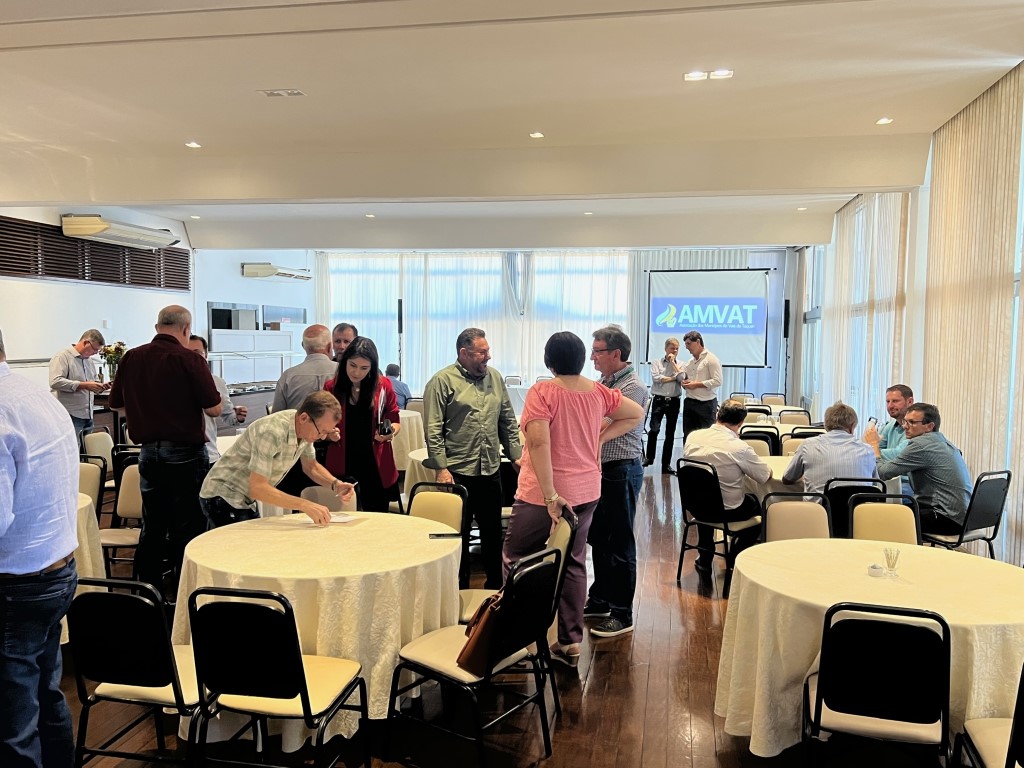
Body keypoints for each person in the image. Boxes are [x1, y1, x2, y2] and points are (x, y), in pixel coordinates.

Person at [502, 332, 642, 664]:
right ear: (581, 359)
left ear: (549, 361)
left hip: (543, 494)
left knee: (516, 557)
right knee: (574, 561)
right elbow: (635, 413)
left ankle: (512, 636)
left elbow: (539, 444)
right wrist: (600, 438)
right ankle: (570, 641)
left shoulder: (543, 392)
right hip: (586, 490)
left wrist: (551, 495)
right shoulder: (598, 391)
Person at [1, 329, 80, 768]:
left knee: (12, 718)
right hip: (56, 568)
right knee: (46, 693)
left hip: (17, 582)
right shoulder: (33, 395)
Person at [107, 305, 222, 594]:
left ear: (157, 326)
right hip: (186, 453)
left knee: (153, 525)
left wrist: (146, 410)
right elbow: (214, 408)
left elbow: (116, 405)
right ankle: (185, 592)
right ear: (186, 329)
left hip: (147, 453)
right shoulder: (190, 359)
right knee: (188, 525)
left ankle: (147, 592)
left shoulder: (131, 357)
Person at [423, 327, 521, 589]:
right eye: (482, 352)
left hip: (490, 470)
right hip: (457, 473)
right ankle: (458, 590)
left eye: (488, 351)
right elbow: (432, 429)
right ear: (464, 353)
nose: (488, 356)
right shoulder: (442, 381)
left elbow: (507, 420)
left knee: (493, 535)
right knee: (459, 536)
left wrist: (516, 456)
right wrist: (441, 468)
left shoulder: (495, 378)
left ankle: (495, 591)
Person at [200, 392, 355, 526]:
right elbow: (258, 488)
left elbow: (311, 466)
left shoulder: (305, 430)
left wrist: (336, 484)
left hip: (244, 498)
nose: (321, 436)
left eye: (326, 432)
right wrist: (304, 505)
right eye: (321, 431)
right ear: (304, 418)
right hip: (222, 495)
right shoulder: (272, 432)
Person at [585, 325, 649, 640]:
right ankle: (600, 599)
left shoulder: (632, 387)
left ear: (616, 354)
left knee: (620, 542)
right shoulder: (604, 383)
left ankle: (622, 613)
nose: (592, 357)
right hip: (603, 470)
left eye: (597, 351)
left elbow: (598, 425)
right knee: (600, 537)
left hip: (621, 470)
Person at [682, 399, 770, 572]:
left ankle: (705, 556)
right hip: (727, 511)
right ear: (741, 423)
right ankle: (734, 557)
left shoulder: (693, 437)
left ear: (717, 415)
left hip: (695, 506)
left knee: (706, 494)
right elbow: (764, 475)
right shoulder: (738, 447)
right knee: (761, 507)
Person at [865, 402, 972, 535]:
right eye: (905, 421)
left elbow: (882, 473)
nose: (905, 426)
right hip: (963, 517)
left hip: (946, 518)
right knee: (894, 510)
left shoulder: (921, 445)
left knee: (877, 517)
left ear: (929, 426)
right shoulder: (941, 441)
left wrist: (874, 445)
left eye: (912, 422)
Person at [324, 337, 402, 512]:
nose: (357, 372)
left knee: (377, 515)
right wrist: (329, 434)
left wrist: (390, 433)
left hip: (375, 460)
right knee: (341, 515)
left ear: (372, 368)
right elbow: (322, 425)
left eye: (364, 368)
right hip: (343, 457)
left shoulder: (383, 386)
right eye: (352, 365)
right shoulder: (331, 387)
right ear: (344, 362)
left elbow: (395, 420)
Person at [782, 401, 877, 495]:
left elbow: (787, 479)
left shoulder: (807, 445)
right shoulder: (868, 450)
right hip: (857, 504)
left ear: (826, 425)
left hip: (818, 505)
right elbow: (875, 484)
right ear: (852, 427)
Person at [187, 335, 247, 463]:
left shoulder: (216, 382)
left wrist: (236, 416)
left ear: (206, 356)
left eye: (197, 353)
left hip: (209, 454)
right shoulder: (173, 381)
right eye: (187, 353)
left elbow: (229, 416)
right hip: (179, 458)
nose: (192, 357)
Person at [48, 328, 108, 446]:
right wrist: (84, 385)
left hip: (88, 414)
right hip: (70, 414)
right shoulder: (63, 357)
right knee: (73, 451)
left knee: (87, 451)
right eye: (95, 349)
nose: (96, 353)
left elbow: (93, 381)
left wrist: (100, 386)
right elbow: (55, 382)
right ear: (86, 343)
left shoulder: (89, 361)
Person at [273, 324, 337, 412]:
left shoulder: (288, 376)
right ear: (330, 346)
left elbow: (277, 416)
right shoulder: (343, 371)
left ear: (303, 346)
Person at [864, 384, 915, 495]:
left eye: (895, 401)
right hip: (887, 479)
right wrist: (872, 448)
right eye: (888, 402)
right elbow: (872, 449)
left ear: (910, 401)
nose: (890, 406)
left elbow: (898, 455)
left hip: (907, 484)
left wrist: (873, 447)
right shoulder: (890, 426)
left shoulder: (916, 427)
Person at [646, 337, 685, 473]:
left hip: (674, 401)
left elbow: (682, 378)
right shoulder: (656, 362)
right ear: (665, 348)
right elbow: (656, 379)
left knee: (670, 433)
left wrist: (673, 363)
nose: (674, 351)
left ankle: (666, 465)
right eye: (672, 348)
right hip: (659, 400)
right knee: (654, 430)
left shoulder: (681, 364)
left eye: (676, 349)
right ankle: (649, 458)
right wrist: (674, 378)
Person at [680, 330, 722, 445]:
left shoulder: (711, 359)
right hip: (690, 402)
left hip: (706, 404)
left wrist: (696, 384)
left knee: (706, 438)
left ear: (698, 342)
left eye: (689, 344)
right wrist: (685, 383)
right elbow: (689, 380)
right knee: (688, 437)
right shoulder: (690, 362)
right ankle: (687, 457)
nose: (686, 347)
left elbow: (718, 381)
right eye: (685, 344)